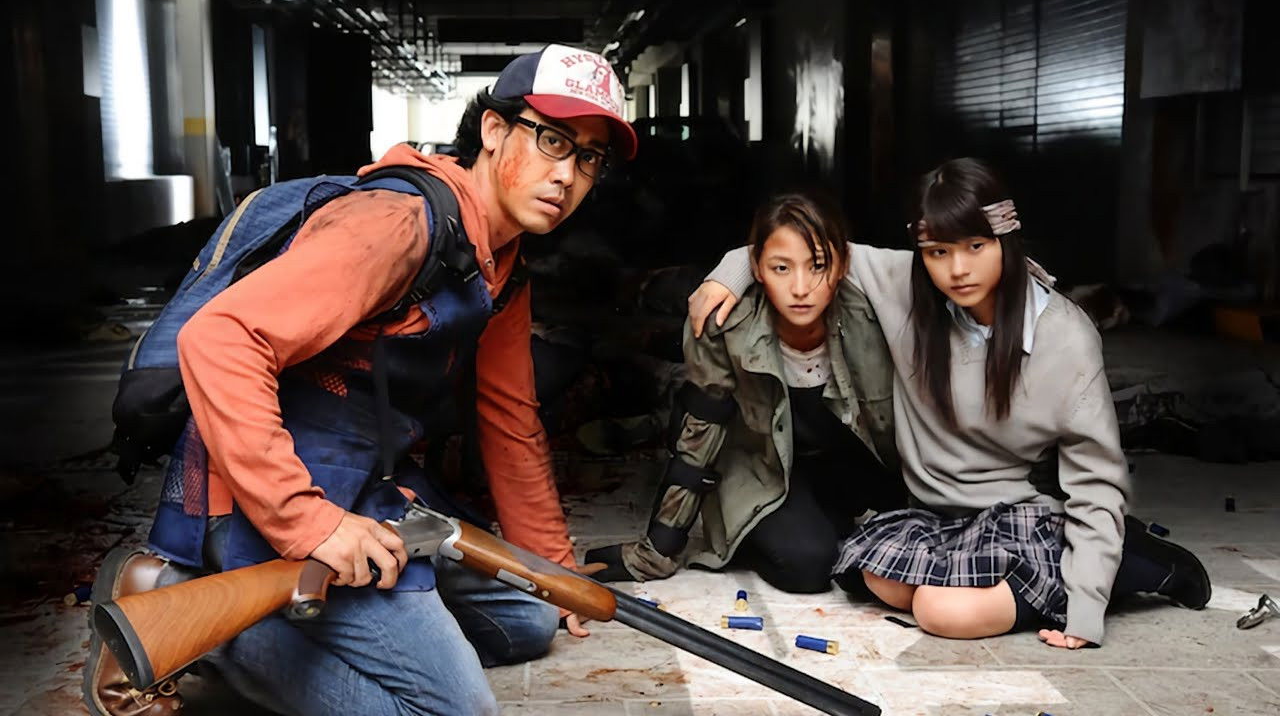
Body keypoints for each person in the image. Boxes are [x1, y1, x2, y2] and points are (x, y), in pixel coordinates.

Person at [84, 44, 637, 716]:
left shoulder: (503, 264)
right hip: (265, 493)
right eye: (552, 140)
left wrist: (555, 568)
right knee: (454, 712)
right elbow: (221, 338)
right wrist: (307, 522)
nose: (567, 174)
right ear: (494, 130)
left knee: (527, 617)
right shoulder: (396, 224)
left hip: (369, 487)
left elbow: (508, 416)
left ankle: (291, 627)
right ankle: (172, 605)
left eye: (589, 158)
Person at [687, 158, 1211, 648]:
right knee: (880, 579)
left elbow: (1096, 479)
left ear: (1006, 239)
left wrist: (1085, 609)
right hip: (938, 515)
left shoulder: (1064, 336)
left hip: (1021, 512)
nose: (957, 269)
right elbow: (799, 246)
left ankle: (1134, 565)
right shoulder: (908, 286)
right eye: (939, 252)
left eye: (976, 246)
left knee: (941, 613)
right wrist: (724, 277)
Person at [586, 192, 906, 593]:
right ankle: (759, 534)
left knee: (896, 557)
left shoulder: (871, 315)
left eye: (818, 266)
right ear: (756, 268)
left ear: (842, 265)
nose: (801, 288)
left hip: (850, 465)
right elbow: (700, 432)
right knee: (808, 567)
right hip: (765, 468)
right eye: (781, 268)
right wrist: (661, 545)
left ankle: (828, 517)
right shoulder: (726, 323)